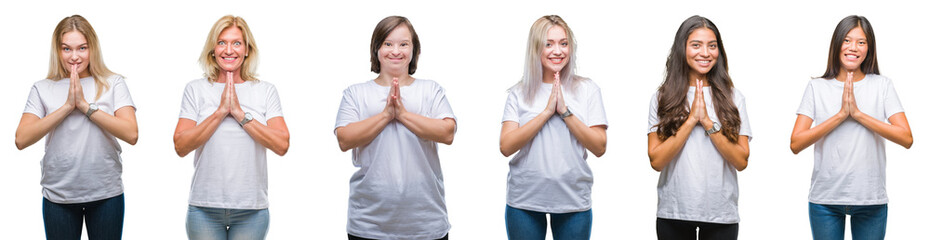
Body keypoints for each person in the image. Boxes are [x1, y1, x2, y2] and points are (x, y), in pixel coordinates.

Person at [15, 14, 138, 240]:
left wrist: (85, 107)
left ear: (92, 48)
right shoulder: (42, 88)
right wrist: (66, 107)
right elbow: (21, 139)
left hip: (106, 194)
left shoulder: (113, 83)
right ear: (57, 50)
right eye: (66, 49)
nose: (74, 56)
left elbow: (131, 134)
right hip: (58, 197)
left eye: (82, 48)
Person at [789, 15, 912, 240]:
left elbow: (906, 138)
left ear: (869, 48)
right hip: (825, 200)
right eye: (847, 40)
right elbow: (796, 143)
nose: (853, 47)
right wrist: (840, 116)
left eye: (861, 42)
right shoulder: (817, 87)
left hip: (870, 199)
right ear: (837, 45)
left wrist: (858, 115)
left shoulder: (882, 85)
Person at [334, 16, 456, 240]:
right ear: (376, 49)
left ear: (414, 50)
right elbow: (344, 139)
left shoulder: (430, 90)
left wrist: (402, 114)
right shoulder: (356, 93)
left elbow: (447, 133)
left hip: (426, 224)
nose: (395, 51)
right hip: (368, 224)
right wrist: (386, 115)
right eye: (388, 44)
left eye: (404, 44)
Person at [173, 15, 290, 240]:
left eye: (236, 43)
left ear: (247, 50)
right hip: (204, 208)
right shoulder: (195, 89)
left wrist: (239, 114)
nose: (229, 50)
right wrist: (219, 112)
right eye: (221, 42)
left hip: (252, 210)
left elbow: (282, 144)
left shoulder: (265, 90)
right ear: (213, 50)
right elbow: (180, 146)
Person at [499, 15, 607, 240]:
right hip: (524, 201)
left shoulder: (587, 89)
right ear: (536, 48)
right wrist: (547, 112)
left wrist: (565, 112)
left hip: (573, 201)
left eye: (563, 43)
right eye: (549, 44)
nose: (557, 51)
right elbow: (506, 146)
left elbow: (599, 146)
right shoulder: (519, 93)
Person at [646, 15, 751, 240]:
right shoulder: (661, 97)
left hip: (721, 215)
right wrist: (692, 119)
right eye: (696, 45)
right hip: (674, 212)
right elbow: (656, 161)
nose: (705, 53)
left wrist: (708, 124)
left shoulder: (734, 97)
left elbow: (741, 161)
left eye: (712, 46)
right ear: (681, 49)